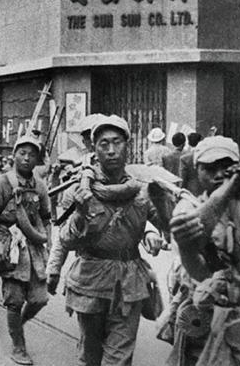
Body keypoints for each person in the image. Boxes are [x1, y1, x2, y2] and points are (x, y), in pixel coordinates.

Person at [46, 114, 165, 366]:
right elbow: (65, 238)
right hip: (90, 281)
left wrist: (152, 231)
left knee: (119, 358)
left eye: (117, 142)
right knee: (90, 353)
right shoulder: (79, 188)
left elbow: (160, 222)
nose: (111, 150)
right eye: (104, 144)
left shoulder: (141, 188)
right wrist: (79, 215)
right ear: (94, 148)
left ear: (127, 145)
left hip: (129, 282)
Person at [169, 136, 240, 366]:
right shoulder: (188, 211)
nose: (218, 174)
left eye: (226, 166)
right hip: (206, 316)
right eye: (209, 168)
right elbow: (195, 269)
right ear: (197, 170)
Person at [0, 136, 52, 365]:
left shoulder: (39, 185)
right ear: (14, 155)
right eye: (22, 153)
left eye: (32, 154)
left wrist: (49, 243)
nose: (26, 158)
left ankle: (18, 324)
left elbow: (46, 218)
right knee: (14, 299)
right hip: (10, 245)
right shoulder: (1, 183)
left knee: (40, 299)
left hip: (33, 248)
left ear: (37, 159)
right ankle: (18, 345)